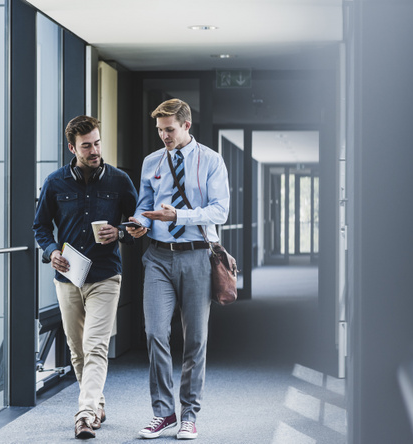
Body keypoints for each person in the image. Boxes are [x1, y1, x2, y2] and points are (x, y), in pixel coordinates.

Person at [126, 99, 230, 440]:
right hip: (157, 256)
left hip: (197, 256)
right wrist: (139, 223)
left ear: (186, 125)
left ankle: (189, 414)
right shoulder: (152, 161)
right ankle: (163, 412)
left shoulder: (211, 161)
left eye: (169, 129)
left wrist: (179, 217)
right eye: (159, 130)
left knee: (195, 340)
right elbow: (144, 204)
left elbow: (219, 212)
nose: (164, 136)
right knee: (155, 333)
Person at [33, 115, 138, 439]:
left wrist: (119, 231)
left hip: (106, 275)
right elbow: (40, 227)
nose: (94, 150)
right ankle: (97, 403)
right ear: (72, 148)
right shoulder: (54, 182)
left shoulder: (119, 181)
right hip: (68, 279)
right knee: (77, 350)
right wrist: (51, 251)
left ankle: (84, 413)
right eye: (86, 146)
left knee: (94, 346)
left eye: (96, 143)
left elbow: (137, 226)